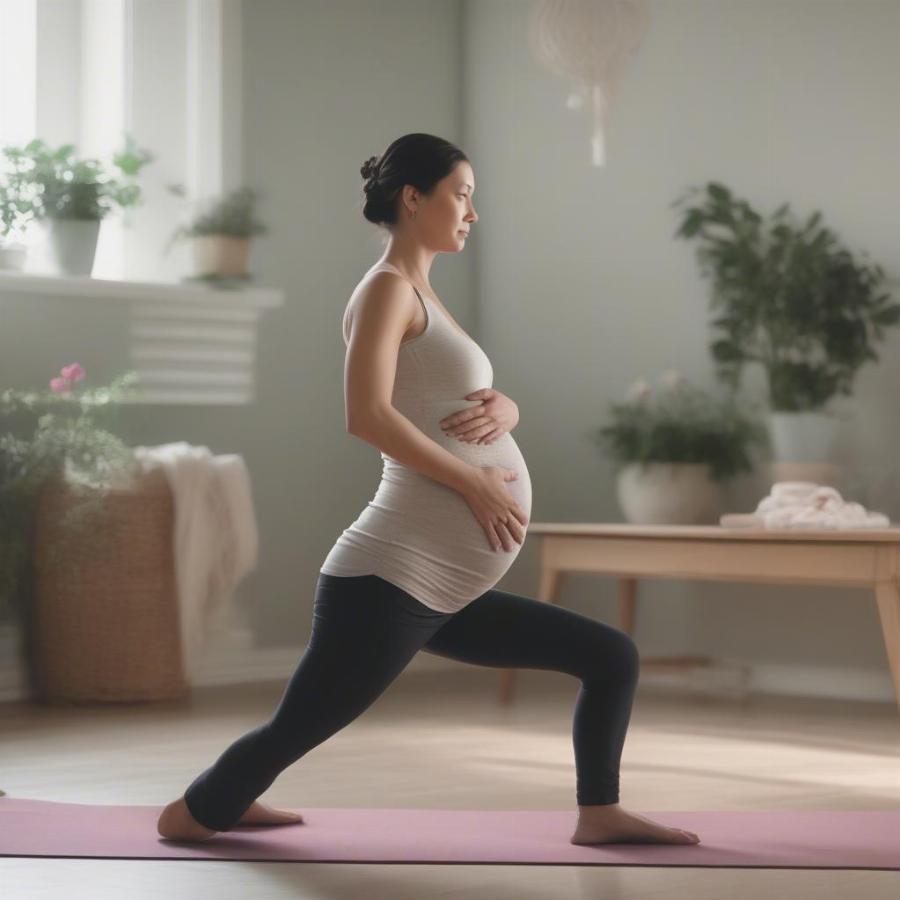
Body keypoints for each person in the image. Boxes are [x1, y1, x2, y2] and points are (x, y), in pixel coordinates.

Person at [157, 133, 700, 846]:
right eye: (462, 194)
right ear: (414, 198)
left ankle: (599, 813)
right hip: (390, 578)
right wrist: (473, 481)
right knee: (300, 726)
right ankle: (195, 812)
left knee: (609, 656)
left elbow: (447, 399)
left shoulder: (421, 292)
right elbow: (367, 414)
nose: (473, 212)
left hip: (444, 587)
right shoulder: (385, 287)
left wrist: (508, 409)